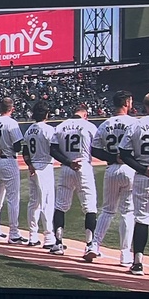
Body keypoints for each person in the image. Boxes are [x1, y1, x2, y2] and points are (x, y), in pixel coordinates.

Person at [87, 91, 137, 264]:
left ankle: (94, 246)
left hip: (112, 169)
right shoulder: (134, 123)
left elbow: (95, 150)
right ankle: (125, 255)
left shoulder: (105, 124)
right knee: (127, 213)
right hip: (130, 169)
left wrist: (112, 157)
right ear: (126, 103)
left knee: (107, 210)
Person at [49, 103, 99, 257]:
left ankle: (58, 243)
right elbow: (96, 149)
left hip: (66, 167)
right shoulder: (89, 126)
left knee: (60, 206)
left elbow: (53, 150)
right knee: (89, 207)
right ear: (85, 114)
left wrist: (68, 162)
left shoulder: (60, 126)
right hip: (83, 166)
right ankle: (90, 245)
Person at [120, 91, 149, 275]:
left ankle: (137, 263)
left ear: (145, 106)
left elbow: (124, 154)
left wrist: (143, 169)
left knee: (142, 220)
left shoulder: (136, 124)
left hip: (144, 175)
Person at [0, 97, 24, 242]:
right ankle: (13, 233)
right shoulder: (11, 123)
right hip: (8, 161)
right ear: (11, 108)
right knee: (13, 198)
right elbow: (17, 146)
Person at [22, 101, 56, 247]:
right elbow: (54, 149)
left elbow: (24, 152)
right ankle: (49, 238)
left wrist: (29, 165)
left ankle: (32, 236)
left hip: (33, 167)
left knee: (34, 203)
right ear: (46, 114)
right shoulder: (49, 129)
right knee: (47, 203)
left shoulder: (29, 130)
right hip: (45, 166)